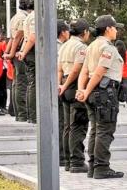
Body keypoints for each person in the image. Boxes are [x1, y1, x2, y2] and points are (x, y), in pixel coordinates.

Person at [76, 15, 124, 179]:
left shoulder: (91, 46)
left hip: (93, 93)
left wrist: (82, 90)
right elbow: (99, 72)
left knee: (96, 130)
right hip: (104, 93)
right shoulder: (107, 47)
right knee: (105, 130)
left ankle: (93, 167)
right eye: (115, 27)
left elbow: (84, 71)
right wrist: (86, 91)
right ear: (108, 29)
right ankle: (102, 168)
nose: (116, 30)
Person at [58, 19, 92, 173]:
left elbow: (59, 68)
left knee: (67, 126)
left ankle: (67, 161)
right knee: (78, 125)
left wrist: (60, 85)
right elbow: (77, 69)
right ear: (84, 32)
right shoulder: (81, 47)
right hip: (74, 85)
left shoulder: (64, 45)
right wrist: (66, 86)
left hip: (64, 85)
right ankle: (77, 162)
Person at [4, 0, 30, 122]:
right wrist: (14, 52)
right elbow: (18, 37)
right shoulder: (23, 18)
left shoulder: (15, 17)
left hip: (16, 50)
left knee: (16, 81)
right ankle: (22, 113)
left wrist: (8, 52)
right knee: (22, 82)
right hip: (20, 50)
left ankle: (16, 111)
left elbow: (12, 38)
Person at [16, 0, 35, 123]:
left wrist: (22, 51)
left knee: (30, 84)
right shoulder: (34, 17)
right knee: (34, 84)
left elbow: (26, 38)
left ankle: (30, 115)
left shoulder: (29, 16)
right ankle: (34, 116)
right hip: (33, 52)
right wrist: (24, 52)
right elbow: (32, 37)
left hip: (28, 51)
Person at [57, 19, 71, 168]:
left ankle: (63, 155)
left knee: (63, 122)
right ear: (62, 32)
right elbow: (58, 68)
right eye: (67, 30)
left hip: (60, 85)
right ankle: (61, 155)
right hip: (60, 86)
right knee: (62, 122)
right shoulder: (58, 47)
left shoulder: (63, 46)